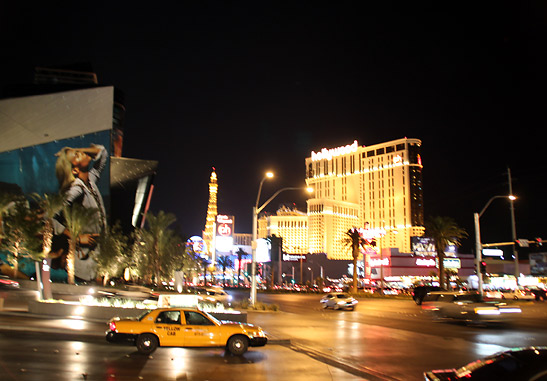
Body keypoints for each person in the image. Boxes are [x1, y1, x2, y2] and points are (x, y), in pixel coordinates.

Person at [53, 144, 107, 281]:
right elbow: (51, 216)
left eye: (79, 152)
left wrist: (80, 150)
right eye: (77, 156)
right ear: (75, 170)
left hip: (97, 251)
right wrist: (76, 237)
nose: (80, 154)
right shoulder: (76, 189)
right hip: (84, 258)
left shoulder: (91, 180)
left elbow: (103, 152)